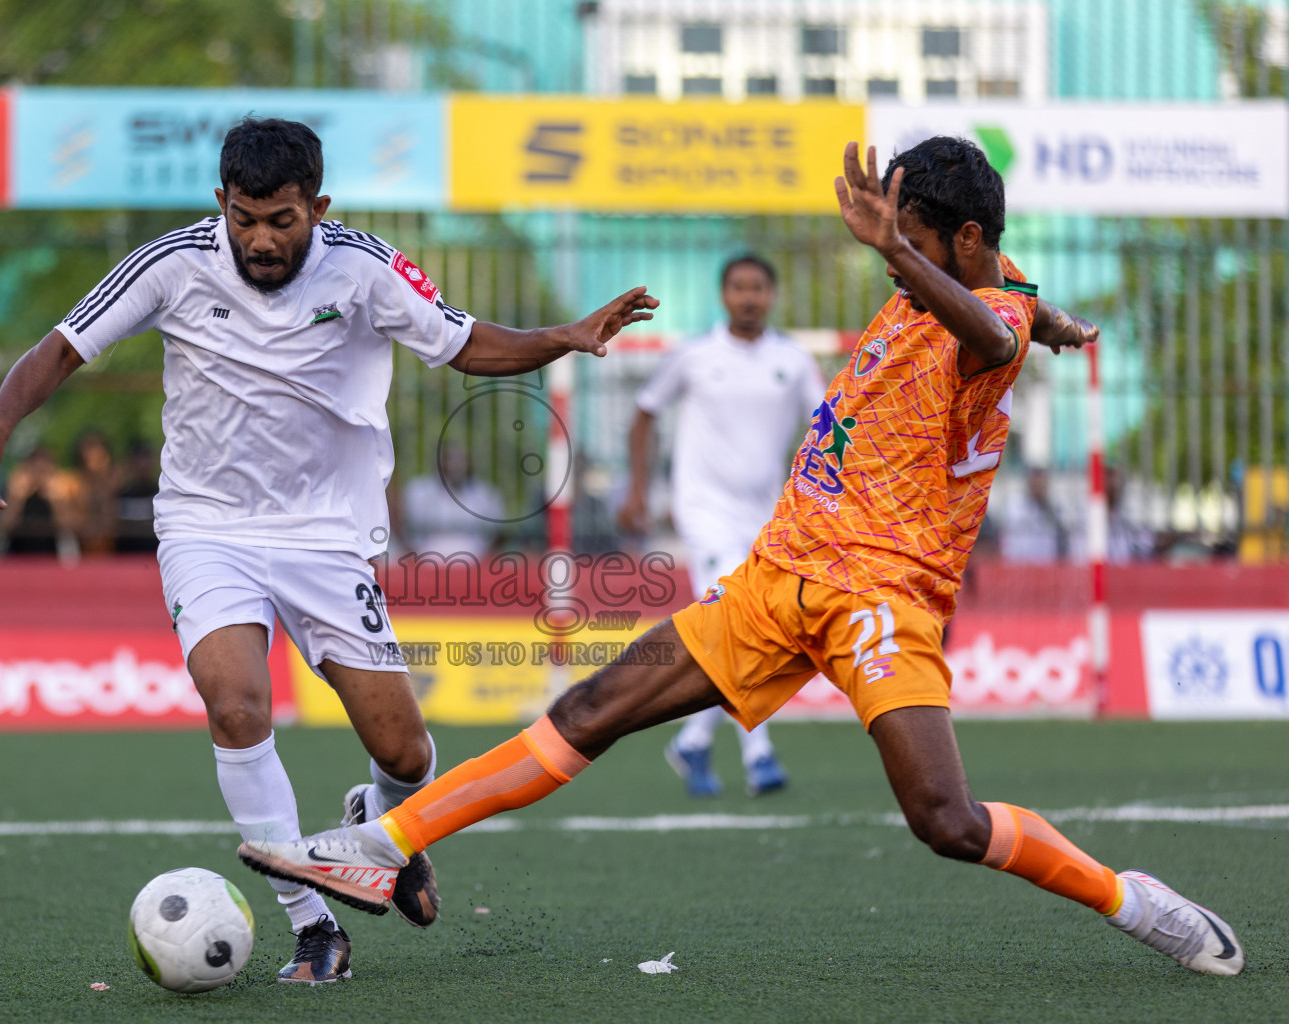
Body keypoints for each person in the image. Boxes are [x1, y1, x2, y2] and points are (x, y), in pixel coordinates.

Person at [243, 138, 1243, 979]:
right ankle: (382, 844)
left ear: (965, 239)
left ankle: (1132, 900)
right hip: (773, 579)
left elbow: (992, 325)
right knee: (587, 710)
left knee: (945, 817)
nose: (891, 260)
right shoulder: (966, 291)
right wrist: (1015, 298)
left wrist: (1016, 307)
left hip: (879, 596)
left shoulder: (988, 316)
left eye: (910, 239)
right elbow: (1004, 301)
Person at [0, 117, 658, 984]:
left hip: (328, 534)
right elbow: (63, 348)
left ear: (317, 206)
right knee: (236, 707)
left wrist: (561, 338)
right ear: (221, 203)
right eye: (244, 218)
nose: (261, 239)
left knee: (404, 753)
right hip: (207, 526)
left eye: (282, 220)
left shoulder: (363, 268)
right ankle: (313, 926)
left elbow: (462, 343)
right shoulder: (172, 262)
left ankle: (381, 821)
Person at [620, 254, 826, 798]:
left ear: (772, 295)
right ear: (724, 295)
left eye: (758, 287)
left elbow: (828, 427)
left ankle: (692, 741)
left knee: (747, 630)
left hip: (768, 516)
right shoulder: (693, 355)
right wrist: (639, 487)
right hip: (703, 508)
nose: (749, 297)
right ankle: (759, 753)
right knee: (738, 618)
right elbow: (644, 413)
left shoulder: (794, 359)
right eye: (739, 287)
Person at [399, 443, 505, 558]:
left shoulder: (485, 493)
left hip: (475, 552)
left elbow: (497, 532)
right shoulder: (419, 490)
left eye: (460, 460)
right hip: (427, 551)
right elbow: (406, 527)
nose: (455, 465)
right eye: (450, 460)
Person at [998, 466, 1076, 564]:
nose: (1038, 486)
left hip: (1047, 566)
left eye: (1041, 482)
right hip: (1018, 565)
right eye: (1035, 482)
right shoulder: (1014, 507)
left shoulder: (1055, 509)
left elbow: (1063, 540)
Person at [113, 440, 161, 554]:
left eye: (146, 458)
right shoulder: (121, 496)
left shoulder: (160, 495)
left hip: (154, 557)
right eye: (139, 458)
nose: (143, 464)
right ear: (131, 462)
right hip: (125, 558)